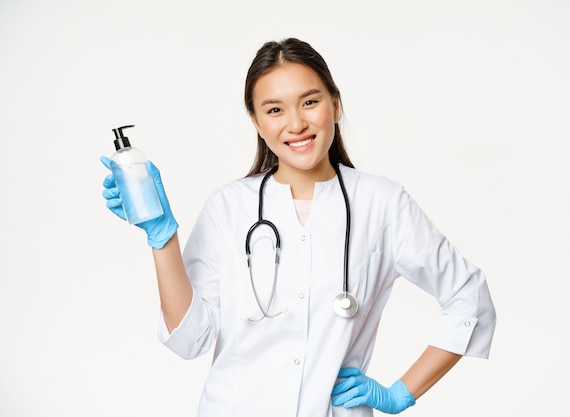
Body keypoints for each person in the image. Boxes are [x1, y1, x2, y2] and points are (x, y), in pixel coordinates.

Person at [100, 38, 496, 417]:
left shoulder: (382, 202)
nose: (296, 123)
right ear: (256, 121)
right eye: (274, 110)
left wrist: (401, 392)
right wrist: (162, 237)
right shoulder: (228, 206)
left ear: (335, 106)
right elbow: (191, 340)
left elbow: (469, 297)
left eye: (310, 102)